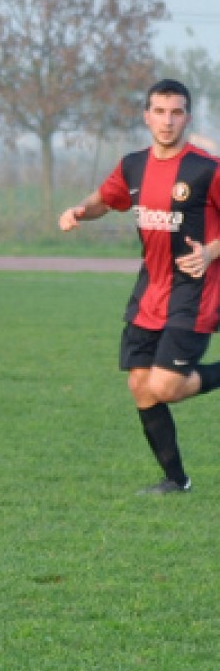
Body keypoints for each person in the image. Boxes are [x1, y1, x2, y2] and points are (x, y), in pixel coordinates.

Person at [59, 78, 220, 495]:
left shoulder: (206, 169)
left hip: (194, 294)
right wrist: (80, 209)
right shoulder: (133, 166)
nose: (168, 121)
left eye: (177, 112)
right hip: (149, 293)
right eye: (160, 111)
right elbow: (103, 199)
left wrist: (209, 252)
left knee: (165, 386)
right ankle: (176, 480)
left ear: (188, 116)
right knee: (140, 387)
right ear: (147, 115)